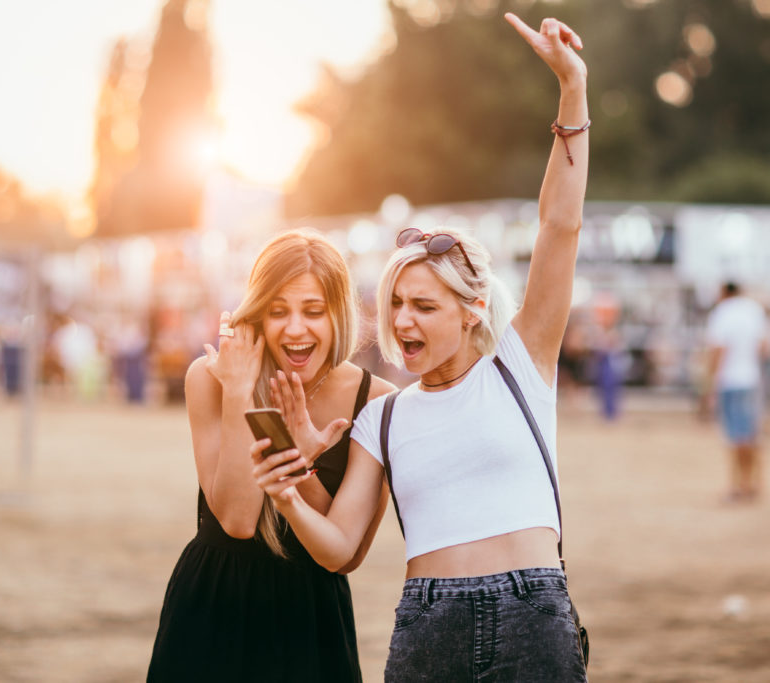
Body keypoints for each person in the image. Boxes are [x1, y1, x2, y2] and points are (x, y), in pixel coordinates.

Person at [251, 13, 589, 682]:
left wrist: (572, 89)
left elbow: (559, 224)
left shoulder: (522, 362)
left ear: (472, 312)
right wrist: (289, 495)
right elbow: (340, 545)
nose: (402, 320)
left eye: (424, 306)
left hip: (533, 616)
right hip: (427, 626)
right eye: (395, 303)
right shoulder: (384, 415)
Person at [147, 229, 395, 682]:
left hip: (313, 616)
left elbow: (344, 554)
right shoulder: (211, 378)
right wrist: (241, 392)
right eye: (277, 311)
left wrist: (295, 458)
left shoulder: (377, 401)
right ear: (257, 313)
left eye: (313, 311)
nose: (295, 329)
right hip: (215, 603)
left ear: (338, 313)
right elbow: (238, 521)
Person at [703, 281, 768, 503]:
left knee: (734, 436)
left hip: (731, 380)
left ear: (724, 292)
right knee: (750, 433)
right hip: (751, 378)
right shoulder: (754, 310)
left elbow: (718, 350)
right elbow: (763, 347)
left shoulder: (722, 313)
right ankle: (755, 482)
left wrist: (709, 383)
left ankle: (738, 485)